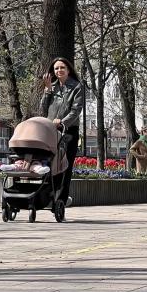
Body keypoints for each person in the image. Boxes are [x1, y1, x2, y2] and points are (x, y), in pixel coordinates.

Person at [40, 57, 85, 208]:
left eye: (62, 68)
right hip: (51, 131)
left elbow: (76, 110)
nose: (59, 70)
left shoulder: (76, 87)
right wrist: (47, 90)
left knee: (65, 167)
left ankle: (61, 201)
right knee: (49, 165)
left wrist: (62, 121)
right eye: (56, 68)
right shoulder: (52, 86)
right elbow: (43, 109)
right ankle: (48, 197)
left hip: (68, 131)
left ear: (68, 70)